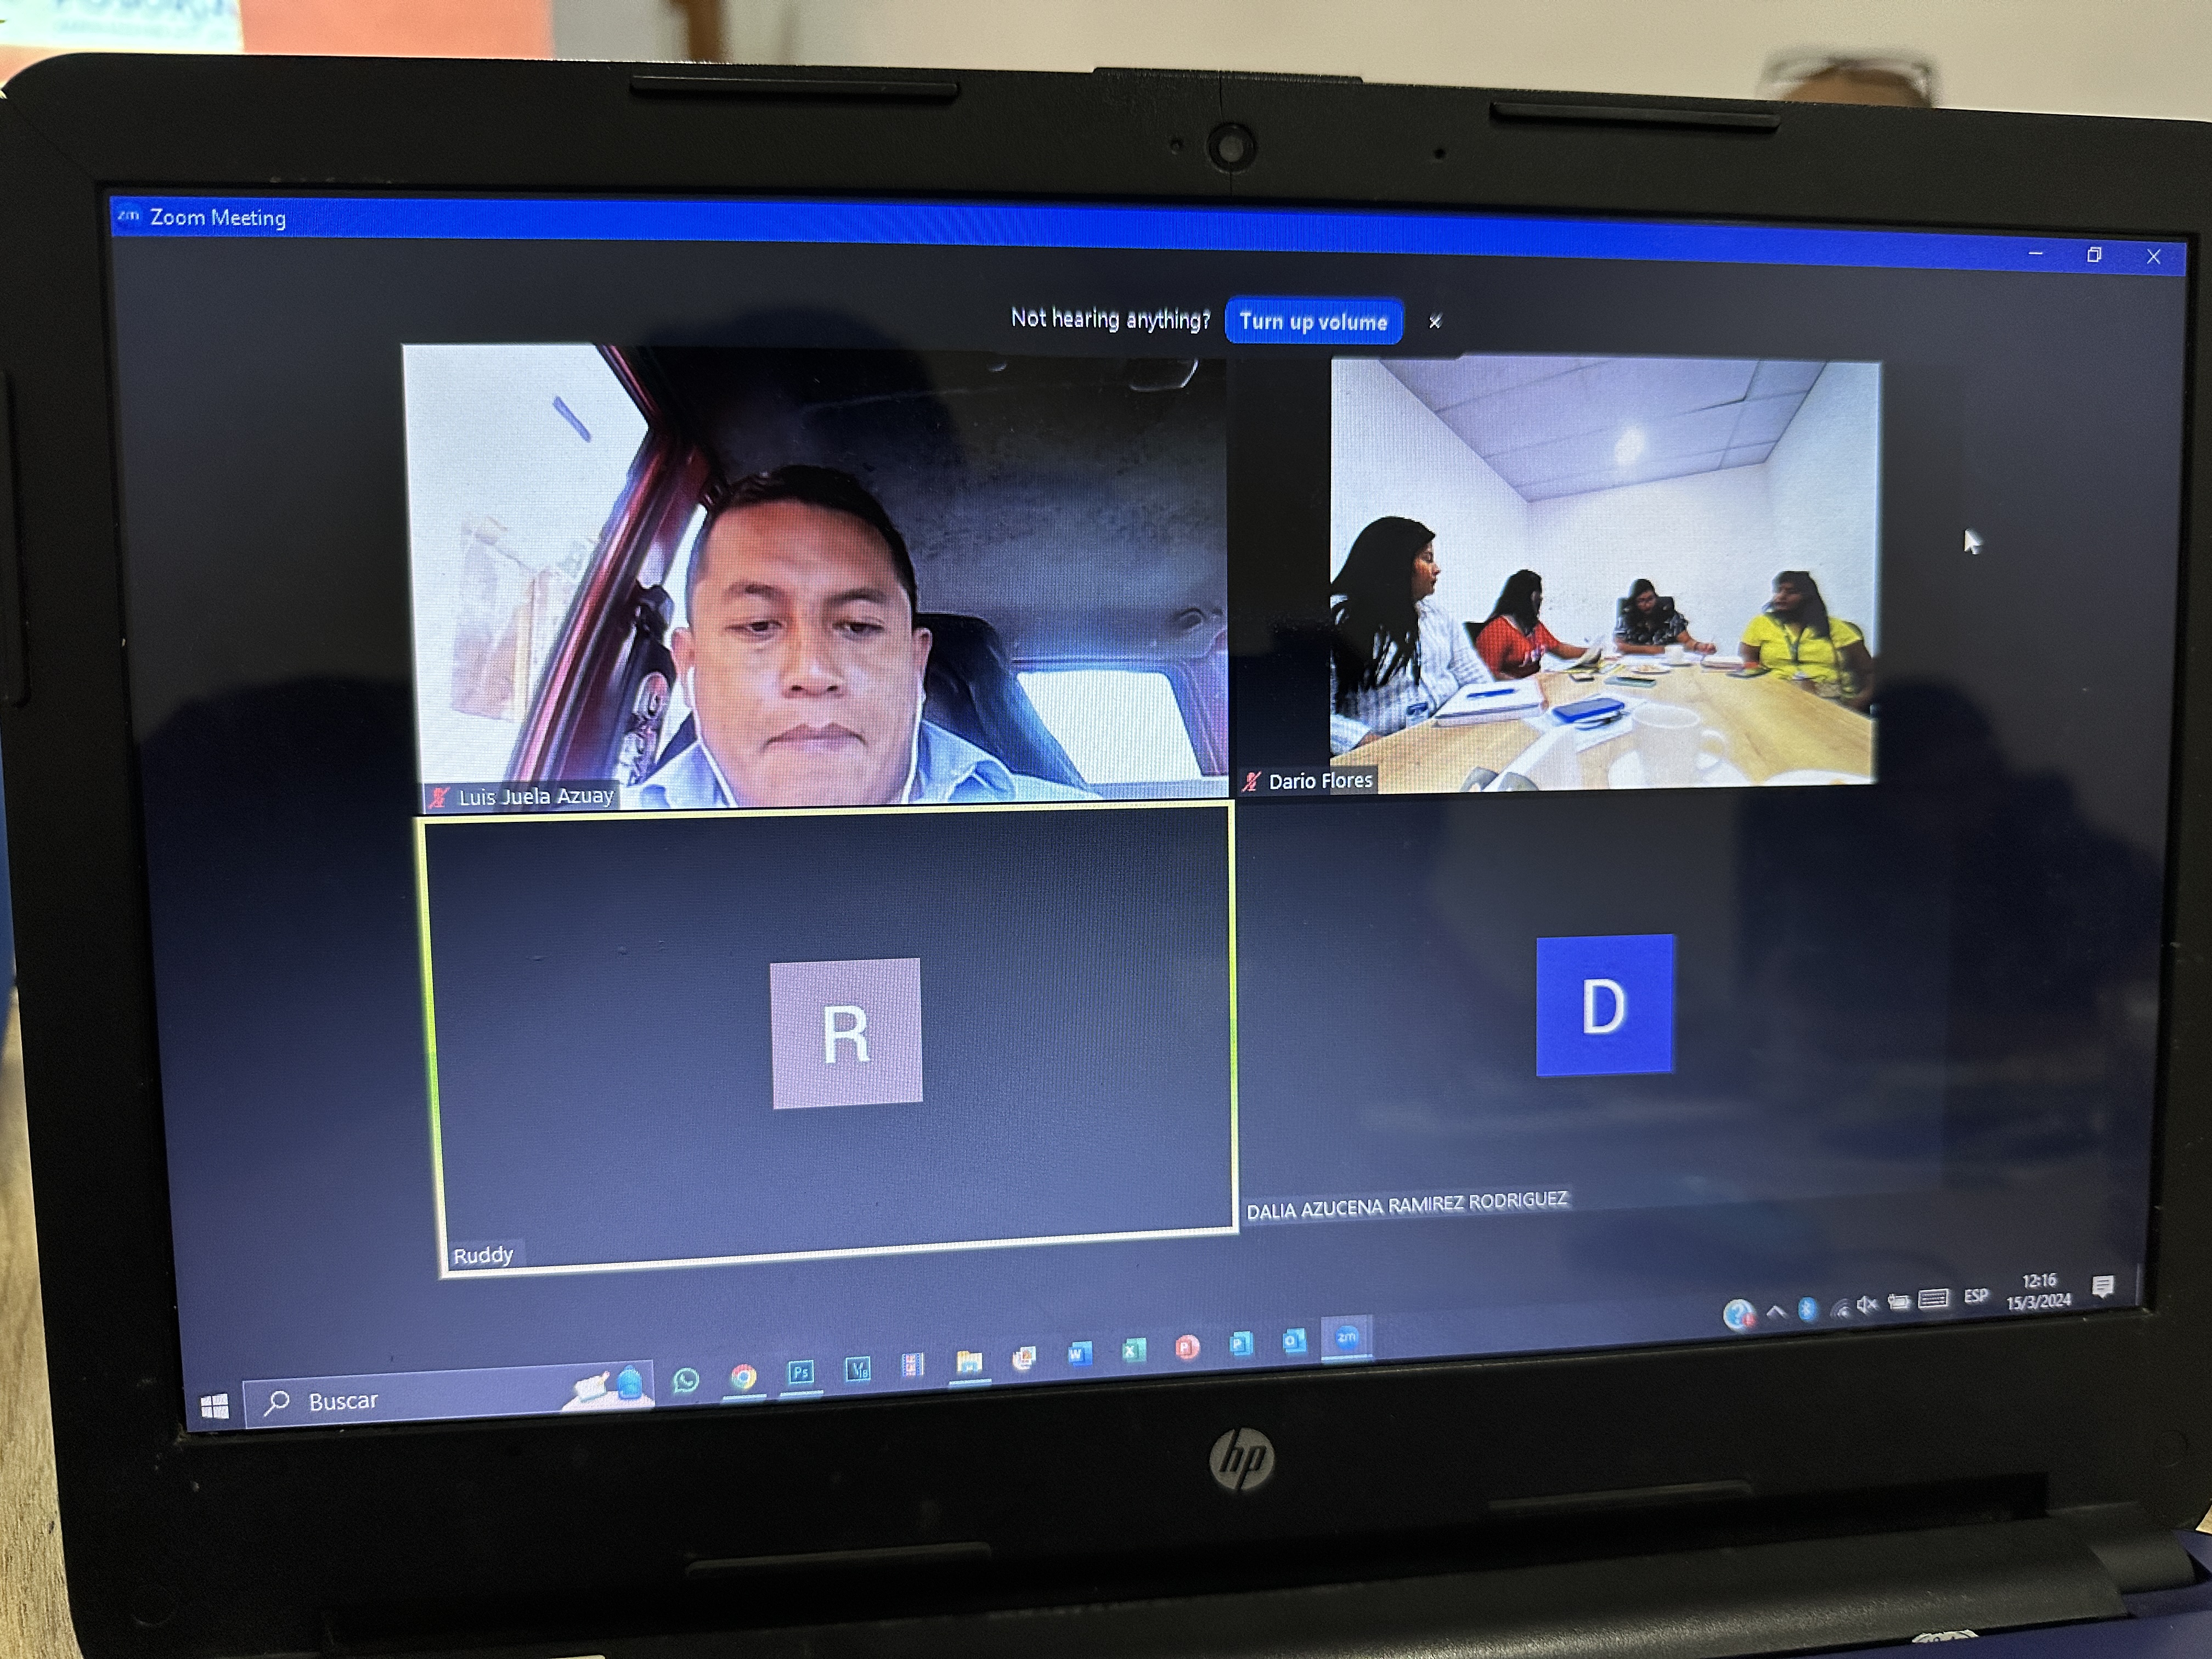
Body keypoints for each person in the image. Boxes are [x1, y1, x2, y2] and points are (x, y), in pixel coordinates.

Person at [625, 465, 1093, 809]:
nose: (813, 673)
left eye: (859, 627)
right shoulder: (602, 848)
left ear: (916, 666)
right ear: (689, 666)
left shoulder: (1081, 843)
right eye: (759, 625)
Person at [1328, 515, 1492, 755]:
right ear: (1397, 563)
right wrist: (1366, 742)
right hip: (1385, 752)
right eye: (1428, 559)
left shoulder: (1439, 615)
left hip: (1450, 738)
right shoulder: (1337, 619)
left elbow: (1475, 679)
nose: (1437, 569)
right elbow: (1312, 714)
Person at [1739, 569, 1876, 712]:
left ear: (1807, 598)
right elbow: (1749, 657)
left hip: (1827, 699)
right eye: (1778, 591)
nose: (1781, 597)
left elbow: (1869, 672)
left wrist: (1855, 707)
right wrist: (1757, 682)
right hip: (1776, 697)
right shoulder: (1761, 624)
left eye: (1791, 592)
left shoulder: (1834, 628)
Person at [1472, 569, 1589, 680]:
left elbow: (1560, 649)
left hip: (1534, 685)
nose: (1539, 606)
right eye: (1537, 602)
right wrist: (1526, 685)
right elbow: (1490, 674)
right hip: (1514, 689)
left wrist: (1593, 653)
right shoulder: (1497, 630)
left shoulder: (1533, 627)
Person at [1613, 578, 1714, 656]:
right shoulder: (1625, 620)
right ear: (1634, 603)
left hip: (1666, 665)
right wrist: (1653, 650)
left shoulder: (1670, 616)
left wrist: (1701, 647)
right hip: (1634, 665)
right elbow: (1620, 646)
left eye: (1650, 599)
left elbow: (1687, 641)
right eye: (1641, 601)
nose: (1647, 605)